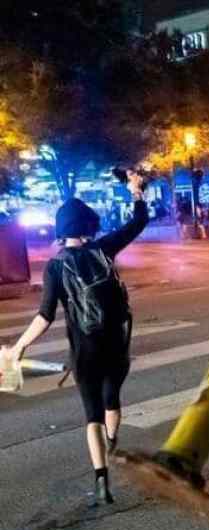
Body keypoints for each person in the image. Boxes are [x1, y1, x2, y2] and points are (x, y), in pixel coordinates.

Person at [9, 172, 149, 506]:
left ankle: (101, 480)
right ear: (88, 224)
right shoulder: (103, 249)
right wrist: (136, 191)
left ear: (61, 230)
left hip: (84, 352)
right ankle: (113, 441)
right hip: (116, 344)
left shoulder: (55, 267)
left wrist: (19, 347)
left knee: (92, 415)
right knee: (112, 399)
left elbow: (44, 316)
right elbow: (138, 222)